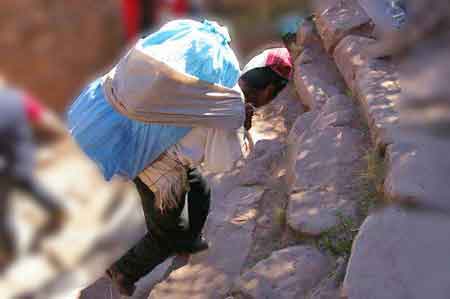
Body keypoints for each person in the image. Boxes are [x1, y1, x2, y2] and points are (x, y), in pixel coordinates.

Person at [67, 20, 292, 296]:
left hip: (145, 141)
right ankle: (125, 270)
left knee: (200, 188)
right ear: (269, 92)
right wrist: (242, 128)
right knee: (166, 231)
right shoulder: (228, 108)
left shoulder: (210, 85)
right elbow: (223, 162)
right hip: (157, 168)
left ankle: (189, 241)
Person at [0, 85, 66, 271]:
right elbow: (43, 120)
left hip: (4, 169)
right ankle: (56, 210)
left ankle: (8, 253)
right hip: (23, 158)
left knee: (2, 212)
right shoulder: (16, 97)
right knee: (28, 185)